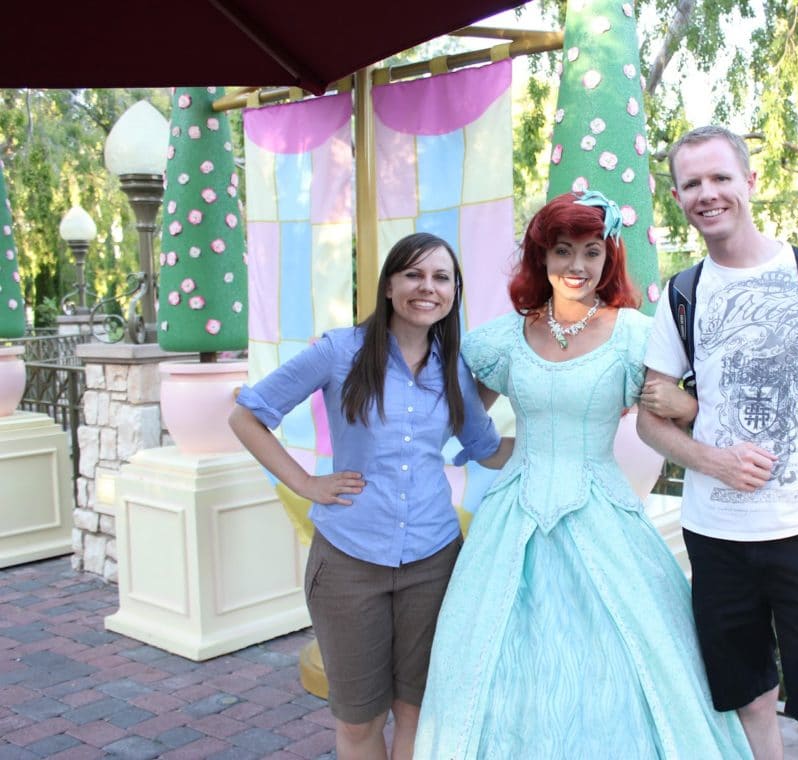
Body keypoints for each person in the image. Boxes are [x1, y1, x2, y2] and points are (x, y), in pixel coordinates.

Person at [414, 191, 752, 759]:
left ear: (608, 257)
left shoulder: (636, 336)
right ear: (541, 258)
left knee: (618, 664)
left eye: (591, 252)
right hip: (512, 518)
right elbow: (460, 420)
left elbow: (678, 412)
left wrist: (687, 406)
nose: (576, 266)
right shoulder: (504, 339)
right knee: (498, 662)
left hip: (603, 516)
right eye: (562, 251)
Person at [636, 125, 798, 760]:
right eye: (692, 183)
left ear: (750, 181)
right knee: (748, 700)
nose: (707, 193)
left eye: (720, 178)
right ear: (677, 196)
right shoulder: (682, 297)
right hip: (717, 539)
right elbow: (648, 419)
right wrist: (711, 458)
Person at [228, 232, 510, 760]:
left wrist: (567, 436)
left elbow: (486, 447)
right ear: (388, 285)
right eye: (414, 275)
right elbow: (247, 415)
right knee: (360, 723)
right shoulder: (340, 352)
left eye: (441, 277)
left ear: (454, 292)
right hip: (348, 565)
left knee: (418, 715)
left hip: (434, 561)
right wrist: (306, 484)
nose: (427, 288)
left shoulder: (455, 368)